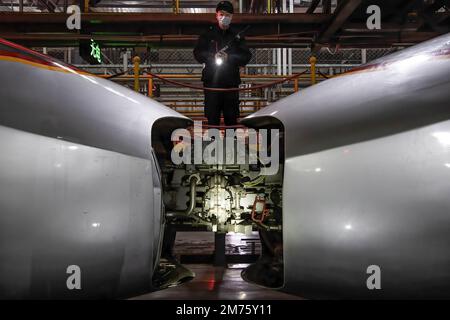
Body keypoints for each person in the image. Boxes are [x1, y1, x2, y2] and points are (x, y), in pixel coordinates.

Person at [193, 1, 252, 126]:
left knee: (231, 120)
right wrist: (211, 57)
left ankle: (231, 145)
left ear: (232, 17)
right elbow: (198, 53)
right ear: (216, 15)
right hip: (212, 84)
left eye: (228, 15)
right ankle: (213, 144)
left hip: (230, 84)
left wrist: (229, 58)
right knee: (212, 118)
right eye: (221, 14)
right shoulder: (208, 34)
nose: (224, 18)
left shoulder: (237, 36)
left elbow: (246, 56)